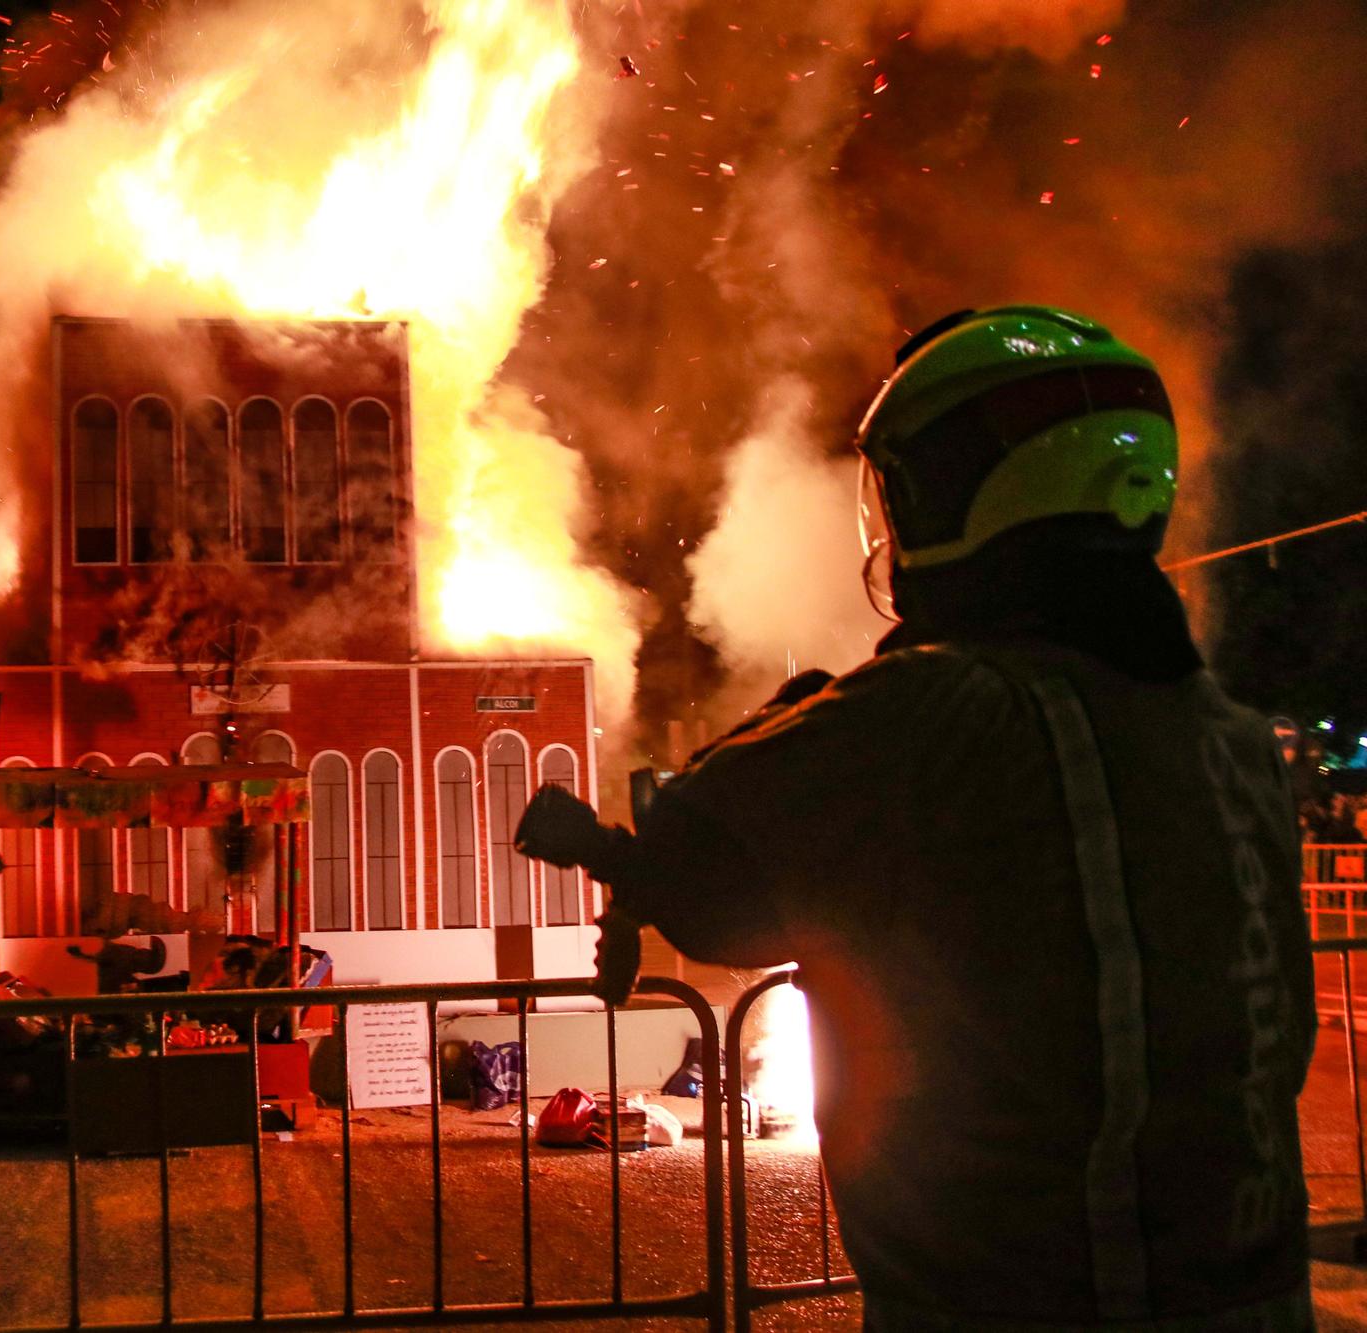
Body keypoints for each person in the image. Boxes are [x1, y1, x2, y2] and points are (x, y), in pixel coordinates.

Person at [516, 307, 1314, 1329]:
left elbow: (709, 885)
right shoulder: (1226, 734)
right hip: (1251, 1292)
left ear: (957, 489)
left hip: (1014, 1300)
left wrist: (763, 736)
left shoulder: (931, 710)